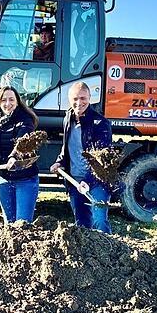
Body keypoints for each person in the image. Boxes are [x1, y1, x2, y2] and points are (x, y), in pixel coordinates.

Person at [49, 82, 113, 233]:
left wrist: (88, 181)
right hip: (75, 181)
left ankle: (108, 254)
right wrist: (59, 162)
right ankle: (87, 257)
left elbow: (102, 160)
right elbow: (67, 147)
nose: (79, 103)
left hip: (97, 182)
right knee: (82, 225)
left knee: (99, 223)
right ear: (69, 100)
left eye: (83, 98)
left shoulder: (100, 123)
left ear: (90, 98)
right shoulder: (68, 118)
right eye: (75, 99)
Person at [0, 87, 40, 223]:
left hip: (25, 179)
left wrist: (13, 157)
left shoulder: (25, 120)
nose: (7, 103)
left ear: (17, 102)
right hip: (4, 179)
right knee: (9, 224)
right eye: (4, 100)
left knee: (23, 224)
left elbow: (22, 143)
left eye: (11, 100)